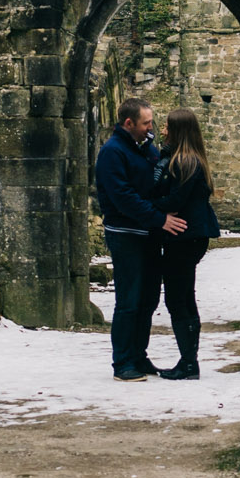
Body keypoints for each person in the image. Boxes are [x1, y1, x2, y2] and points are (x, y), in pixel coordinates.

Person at [94, 96, 186, 381]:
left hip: (146, 234)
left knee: (147, 299)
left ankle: (138, 355)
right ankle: (122, 363)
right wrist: (160, 219)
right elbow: (124, 197)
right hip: (126, 235)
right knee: (129, 299)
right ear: (128, 122)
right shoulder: (113, 152)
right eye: (146, 123)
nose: (151, 128)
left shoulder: (144, 148)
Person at [154, 106, 222, 381]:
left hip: (184, 236)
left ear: (178, 130)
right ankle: (188, 361)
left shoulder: (185, 162)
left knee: (178, 300)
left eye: (167, 127)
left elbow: (174, 201)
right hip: (189, 236)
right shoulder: (191, 160)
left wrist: (145, 208)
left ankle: (189, 363)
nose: (163, 130)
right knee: (183, 298)